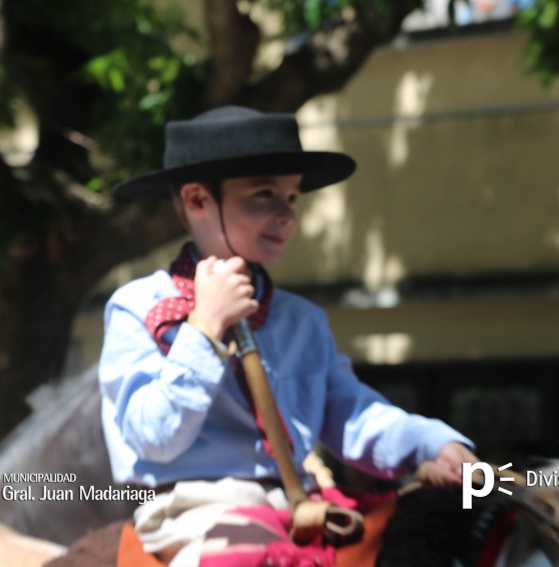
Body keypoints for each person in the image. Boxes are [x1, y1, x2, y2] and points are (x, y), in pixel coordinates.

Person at [98, 105, 478, 496]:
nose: (287, 215)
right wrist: (205, 330)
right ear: (197, 200)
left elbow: (351, 413)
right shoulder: (138, 306)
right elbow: (152, 437)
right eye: (264, 194)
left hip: (297, 501)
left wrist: (433, 444)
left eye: (293, 197)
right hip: (193, 510)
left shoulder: (301, 320)